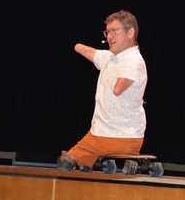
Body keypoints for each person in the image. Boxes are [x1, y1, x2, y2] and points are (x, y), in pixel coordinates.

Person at [57, 10, 148, 172]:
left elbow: (118, 89)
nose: (109, 37)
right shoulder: (109, 58)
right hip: (97, 136)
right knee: (64, 165)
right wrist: (75, 45)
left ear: (130, 32)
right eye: (107, 32)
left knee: (73, 168)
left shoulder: (134, 61)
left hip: (124, 136)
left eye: (115, 31)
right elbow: (84, 50)